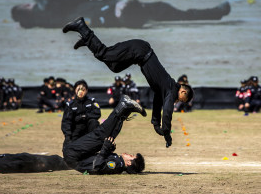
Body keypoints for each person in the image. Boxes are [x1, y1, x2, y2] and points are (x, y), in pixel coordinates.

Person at [62, 17, 194, 147]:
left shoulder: (164, 90)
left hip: (139, 54)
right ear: (182, 91)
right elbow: (167, 112)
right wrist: (167, 134)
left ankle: (88, 41)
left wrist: (155, 123)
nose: (178, 102)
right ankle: (82, 27)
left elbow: (158, 101)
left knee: (114, 67)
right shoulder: (171, 90)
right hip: (138, 50)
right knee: (104, 54)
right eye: (181, 99)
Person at [12, 0, 231, 29]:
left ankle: (216, 13)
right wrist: (114, 11)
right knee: (170, 12)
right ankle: (216, 13)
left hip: (117, 13)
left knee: (169, 12)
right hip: (119, 14)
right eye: (25, 6)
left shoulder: (49, 13)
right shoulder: (50, 15)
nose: (29, 3)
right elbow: (88, 19)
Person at [63, 95, 146, 174]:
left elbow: (97, 166)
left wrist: (105, 148)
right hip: (77, 155)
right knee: (110, 137)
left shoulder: (116, 165)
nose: (129, 154)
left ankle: (123, 105)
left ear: (128, 163)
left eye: (131, 156)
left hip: (73, 155)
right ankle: (126, 110)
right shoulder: (118, 162)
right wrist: (109, 149)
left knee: (101, 135)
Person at [61, 79, 101, 146]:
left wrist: (85, 116)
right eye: (78, 89)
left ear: (86, 91)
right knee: (69, 147)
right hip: (76, 130)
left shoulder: (91, 101)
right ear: (75, 90)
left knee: (94, 122)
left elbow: (97, 113)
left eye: (83, 90)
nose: (80, 92)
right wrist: (68, 136)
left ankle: (94, 142)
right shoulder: (70, 104)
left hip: (88, 130)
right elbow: (66, 122)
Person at [0, 153, 69, 173]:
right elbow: (17, 165)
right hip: (36, 162)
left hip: (32, 159)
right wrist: (36, 163)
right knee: (59, 161)